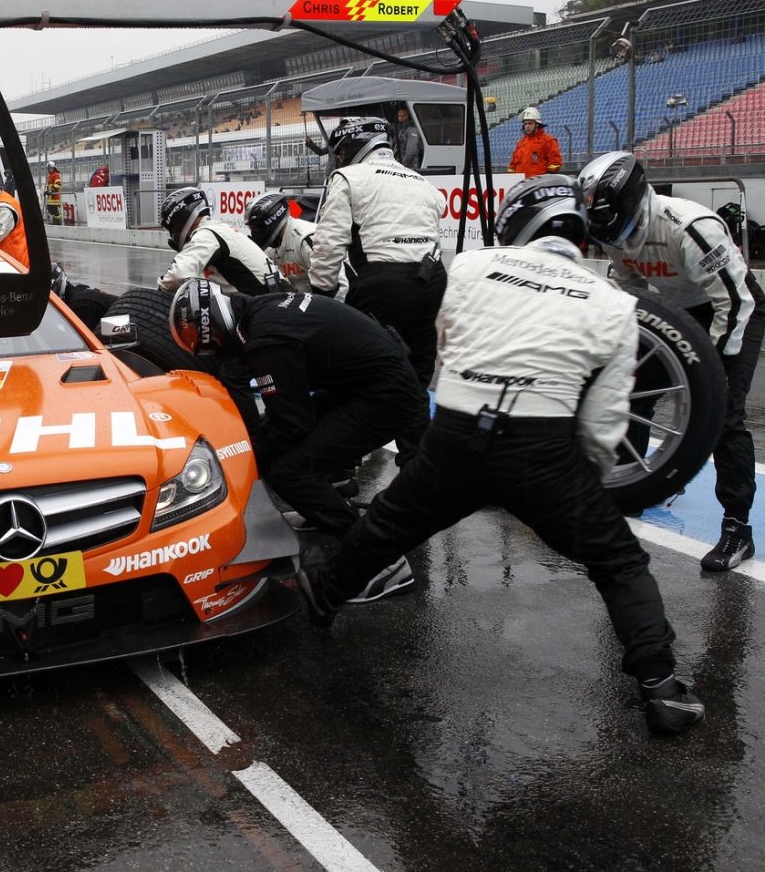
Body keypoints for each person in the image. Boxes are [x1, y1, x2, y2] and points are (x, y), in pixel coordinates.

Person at [295, 175, 705, 737]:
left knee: (386, 525)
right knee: (620, 562)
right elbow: (606, 422)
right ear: (580, 236)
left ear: (515, 226)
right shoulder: (613, 303)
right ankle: (661, 687)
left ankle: (319, 604)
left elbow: (446, 340)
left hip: (457, 433)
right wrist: (584, 485)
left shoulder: (469, 266)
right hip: (543, 452)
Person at [169, 277, 424, 600]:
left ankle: (382, 562)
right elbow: (291, 411)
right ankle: (323, 504)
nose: (213, 352)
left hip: (387, 396)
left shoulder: (266, 342)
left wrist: (246, 464)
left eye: (208, 344)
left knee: (289, 472)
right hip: (372, 381)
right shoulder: (259, 307)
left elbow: (292, 424)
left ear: (215, 324)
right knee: (294, 441)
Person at [578, 151, 765, 570]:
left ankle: (738, 529)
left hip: (735, 308)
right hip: (680, 310)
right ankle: (631, 491)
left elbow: (736, 302)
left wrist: (708, 375)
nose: (614, 240)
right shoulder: (612, 233)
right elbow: (632, 295)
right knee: (632, 387)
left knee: (722, 415)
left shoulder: (690, 227)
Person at [308, 118, 444, 463]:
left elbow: (328, 245)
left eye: (339, 153)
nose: (338, 160)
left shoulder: (348, 178)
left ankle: (338, 463)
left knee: (355, 373)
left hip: (383, 283)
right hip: (432, 283)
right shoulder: (422, 182)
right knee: (413, 377)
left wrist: (320, 297)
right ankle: (418, 467)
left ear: (352, 147)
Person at [156, 187, 280, 295]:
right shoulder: (216, 229)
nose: (172, 235)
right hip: (271, 297)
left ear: (179, 220)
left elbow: (176, 277)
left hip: (269, 304)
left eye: (171, 229)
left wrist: (157, 293)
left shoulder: (205, 235)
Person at [245, 192, 346, 298]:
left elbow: (338, 286)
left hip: (334, 304)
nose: (254, 234)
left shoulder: (306, 239)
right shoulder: (270, 248)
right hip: (305, 306)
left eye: (257, 229)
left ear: (272, 219)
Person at [508, 107, 562, 177]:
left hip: (538, 185)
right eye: (525, 124)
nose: (527, 126)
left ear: (537, 124)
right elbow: (512, 166)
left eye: (530, 123)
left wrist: (545, 179)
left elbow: (555, 163)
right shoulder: (521, 143)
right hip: (521, 184)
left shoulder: (548, 141)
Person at [392, 106, 424, 171]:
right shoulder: (400, 130)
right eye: (399, 116)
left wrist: (403, 166)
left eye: (403, 116)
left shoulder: (413, 130)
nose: (401, 118)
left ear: (409, 116)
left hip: (409, 167)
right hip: (399, 165)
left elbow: (411, 151)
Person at [44, 161, 63, 225]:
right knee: (50, 208)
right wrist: (46, 191)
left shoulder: (56, 175)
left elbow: (58, 184)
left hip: (54, 196)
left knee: (55, 209)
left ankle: (57, 221)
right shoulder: (50, 175)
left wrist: (52, 191)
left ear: (54, 168)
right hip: (50, 197)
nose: (49, 170)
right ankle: (55, 220)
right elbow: (48, 185)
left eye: (50, 168)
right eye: (48, 169)